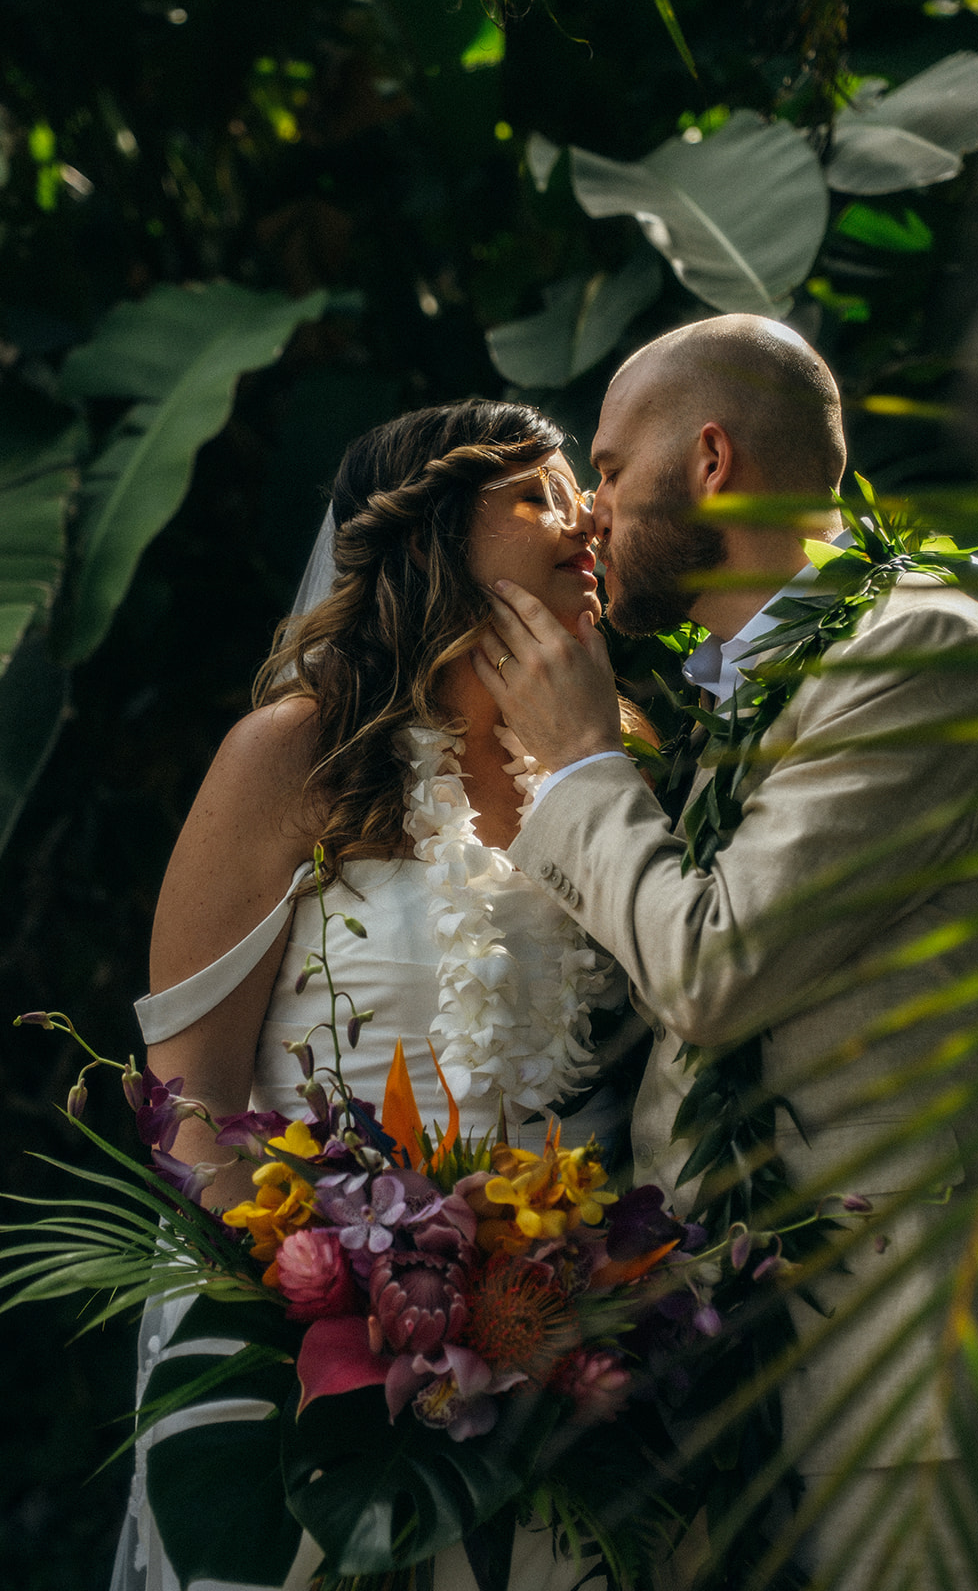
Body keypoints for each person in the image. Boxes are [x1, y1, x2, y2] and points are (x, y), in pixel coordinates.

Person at [472, 316, 978, 1588]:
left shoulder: (916, 647)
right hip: (725, 1371)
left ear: (710, 459)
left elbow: (710, 967)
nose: (588, 512)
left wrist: (577, 763)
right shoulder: (730, 693)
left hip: (893, 1382)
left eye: (608, 469)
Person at [110, 399, 641, 1591]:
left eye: (579, 496)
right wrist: (323, 1310)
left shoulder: (604, 772)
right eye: (538, 497)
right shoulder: (293, 754)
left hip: (548, 1366)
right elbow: (188, 1098)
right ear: (434, 534)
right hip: (305, 1362)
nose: (585, 522)